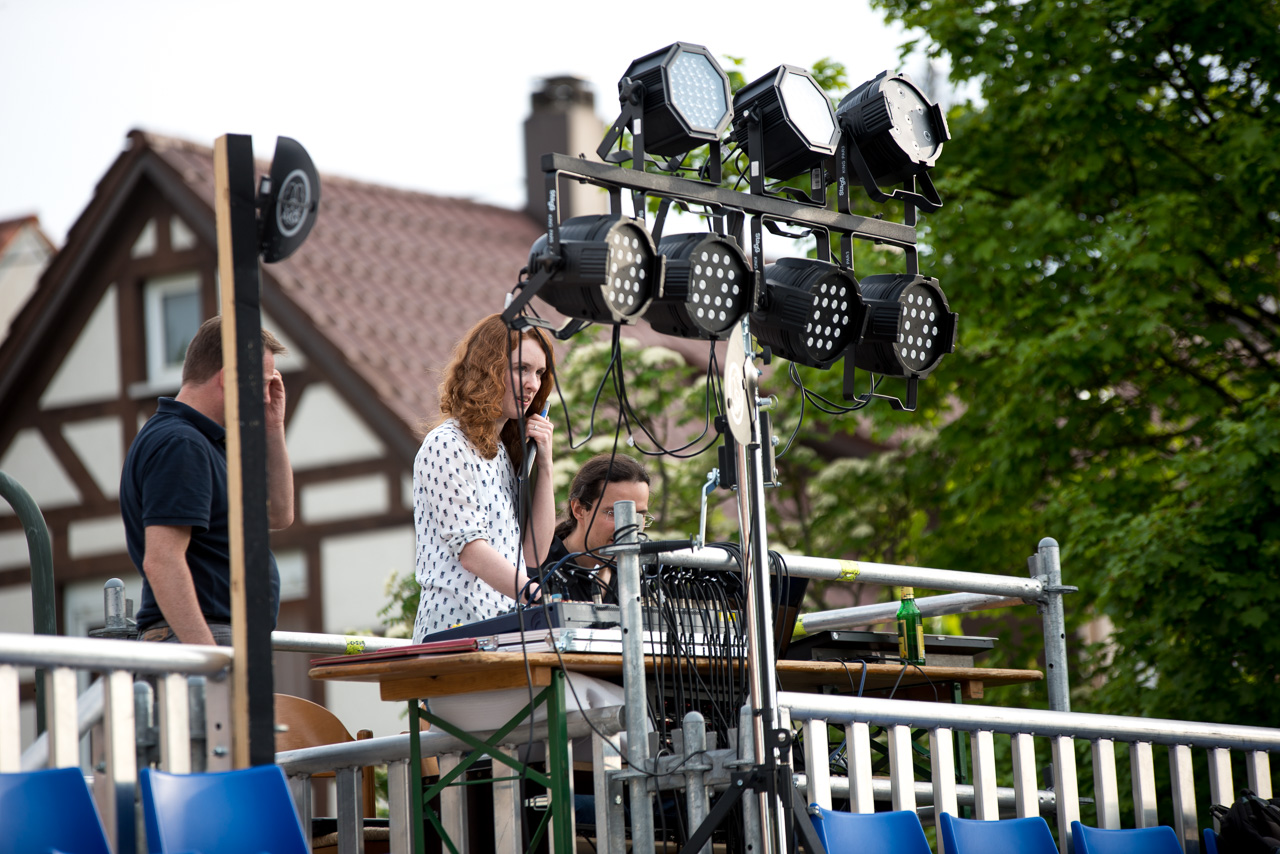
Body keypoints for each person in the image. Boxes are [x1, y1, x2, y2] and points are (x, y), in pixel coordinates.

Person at [120, 316, 293, 646]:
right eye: (261, 384)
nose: (267, 398)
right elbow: (162, 560)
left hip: (211, 633)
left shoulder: (203, 442)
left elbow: (278, 514)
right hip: (202, 635)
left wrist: (273, 427)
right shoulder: (181, 444)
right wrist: (211, 662)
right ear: (228, 379)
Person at [412, 313, 557, 642]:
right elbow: (472, 552)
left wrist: (545, 464)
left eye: (539, 373)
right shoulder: (447, 444)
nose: (533, 383)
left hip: (500, 633)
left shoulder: (500, 453)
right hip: (455, 632)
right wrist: (540, 602)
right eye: (521, 368)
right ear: (488, 368)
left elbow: (534, 554)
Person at [542, 453, 652, 600]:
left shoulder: (645, 575)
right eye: (614, 513)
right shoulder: (537, 567)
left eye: (639, 515)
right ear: (579, 510)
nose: (628, 528)